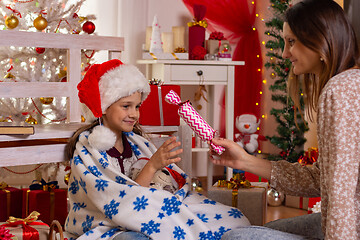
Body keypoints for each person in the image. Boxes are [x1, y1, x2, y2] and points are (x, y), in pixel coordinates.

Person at [209, 0, 360, 239]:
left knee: (235, 237)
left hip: (348, 227)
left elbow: (341, 194)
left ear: (320, 40)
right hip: (345, 220)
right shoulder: (348, 83)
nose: (285, 53)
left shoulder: (339, 90)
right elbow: (322, 179)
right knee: (252, 232)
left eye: (291, 42)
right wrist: (245, 161)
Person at [63, 59, 250, 240]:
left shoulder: (136, 142)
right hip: (109, 224)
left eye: (137, 106)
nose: (134, 114)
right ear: (103, 107)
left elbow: (164, 188)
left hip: (150, 212)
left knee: (233, 217)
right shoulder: (89, 147)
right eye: (126, 106)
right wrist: (152, 166)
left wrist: (167, 178)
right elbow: (119, 202)